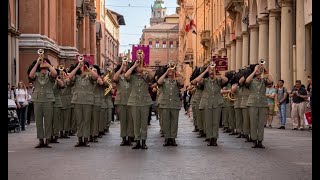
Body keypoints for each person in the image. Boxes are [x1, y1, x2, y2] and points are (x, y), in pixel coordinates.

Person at [193, 65, 228, 146]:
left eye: (213, 71)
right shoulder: (205, 81)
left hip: (217, 103)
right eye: (210, 71)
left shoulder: (218, 80)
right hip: (207, 103)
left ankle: (215, 139)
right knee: (208, 122)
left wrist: (218, 72)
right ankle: (210, 138)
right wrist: (205, 71)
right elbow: (196, 81)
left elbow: (226, 79)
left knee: (215, 122)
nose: (212, 72)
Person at [125, 58, 155, 149]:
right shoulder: (132, 76)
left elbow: (153, 75)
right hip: (134, 102)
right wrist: (134, 65)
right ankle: (137, 141)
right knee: (136, 123)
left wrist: (144, 69)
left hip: (145, 102)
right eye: (137, 66)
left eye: (139, 65)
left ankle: (143, 142)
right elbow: (126, 75)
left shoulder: (146, 76)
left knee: (143, 123)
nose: (139, 67)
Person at [28, 57, 58, 148]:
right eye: (42, 63)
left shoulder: (49, 75)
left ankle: (47, 140)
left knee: (48, 121)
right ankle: (40, 140)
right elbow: (30, 75)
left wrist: (48, 66)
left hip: (48, 100)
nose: (43, 65)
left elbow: (55, 73)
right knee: (39, 121)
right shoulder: (36, 74)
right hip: (37, 100)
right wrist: (37, 63)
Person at [68, 60, 98, 147]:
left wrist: (88, 69)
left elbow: (96, 77)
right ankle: (80, 139)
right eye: (80, 65)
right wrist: (77, 67)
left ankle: (85, 139)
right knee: (79, 120)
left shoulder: (89, 76)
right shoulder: (76, 76)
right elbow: (69, 76)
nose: (81, 66)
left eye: (82, 65)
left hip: (87, 101)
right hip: (77, 101)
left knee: (86, 120)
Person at [245, 64, 273, 148]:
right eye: (257, 68)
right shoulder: (251, 80)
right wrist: (254, 71)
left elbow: (271, 81)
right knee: (253, 122)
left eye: (259, 69)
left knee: (261, 123)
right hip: (252, 103)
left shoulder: (263, 80)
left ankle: (260, 140)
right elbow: (246, 81)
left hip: (262, 103)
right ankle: (254, 140)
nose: (258, 70)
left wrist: (265, 70)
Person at [157, 65, 185, 146]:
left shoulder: (177, 81)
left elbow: (183, 81)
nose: (171, 72)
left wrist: (176, 72)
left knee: (174, 122)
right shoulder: (164, 81)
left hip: (174, 104)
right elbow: (159, 82)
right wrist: (166, 72)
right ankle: (167, 138)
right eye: (170, 71)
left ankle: (173, 138)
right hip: (165, 104)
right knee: (166, 122)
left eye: (172, 71)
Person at [113, 61, 134, 146]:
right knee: (123, 121)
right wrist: (121, 67)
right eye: (124, 67)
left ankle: (129, 138)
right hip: (121, 101)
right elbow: (114, 78)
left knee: (130, 121)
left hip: (131, 101)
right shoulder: (119, 77)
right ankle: (123, 138)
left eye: (126, 66)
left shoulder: (132, 77)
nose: (125, 68)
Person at [51, 68, 65, 143]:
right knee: (49, 120)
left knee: (56, 120)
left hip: (57, 102)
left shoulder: (58, 80)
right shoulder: (49, 80)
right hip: (49, 101)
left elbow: (62, 85)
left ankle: (55, 135)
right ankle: (49, 135)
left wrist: (57, 79)